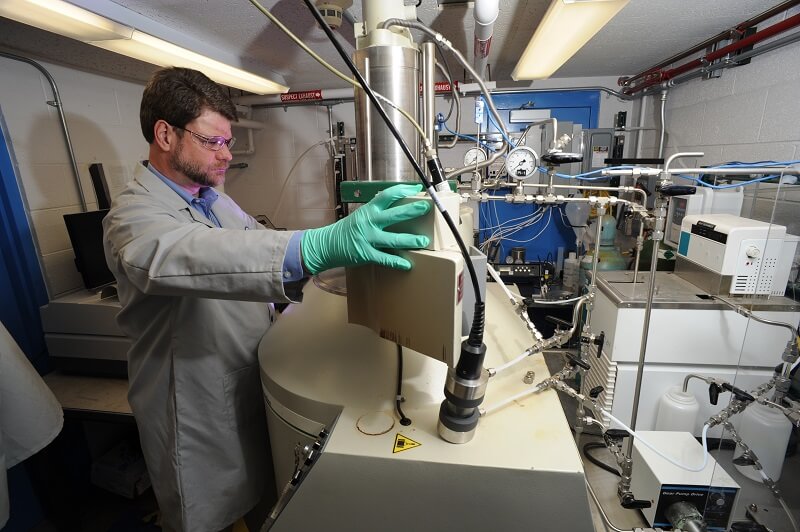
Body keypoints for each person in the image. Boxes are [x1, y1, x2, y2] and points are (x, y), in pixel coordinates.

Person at [103, 66, 430, 532]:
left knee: (260, 504)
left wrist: (344, 262)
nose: (226, 155)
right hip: (190, 405)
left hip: (243, 379)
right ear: (165, 135)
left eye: (227, 142)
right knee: (206, 516)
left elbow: (255, 243)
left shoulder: (211, 198)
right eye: (213, 142)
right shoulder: (132, 216)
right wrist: (317, 245)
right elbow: (196, 255)